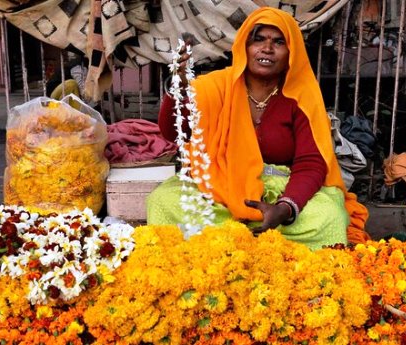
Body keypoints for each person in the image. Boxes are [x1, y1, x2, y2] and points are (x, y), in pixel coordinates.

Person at [147, 7, 370, 250]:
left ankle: (281, 264)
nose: (267, 48)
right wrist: (177, 89)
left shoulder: (302, 96)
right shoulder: (216, 86)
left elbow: (311, 162)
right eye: (258, 40)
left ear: (291, 52)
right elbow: (174, 133)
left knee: (329, 216)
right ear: (244, 46)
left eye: (278, 42)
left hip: (284, 190)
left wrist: (286, 208)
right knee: (164, 201)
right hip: (220, 186)